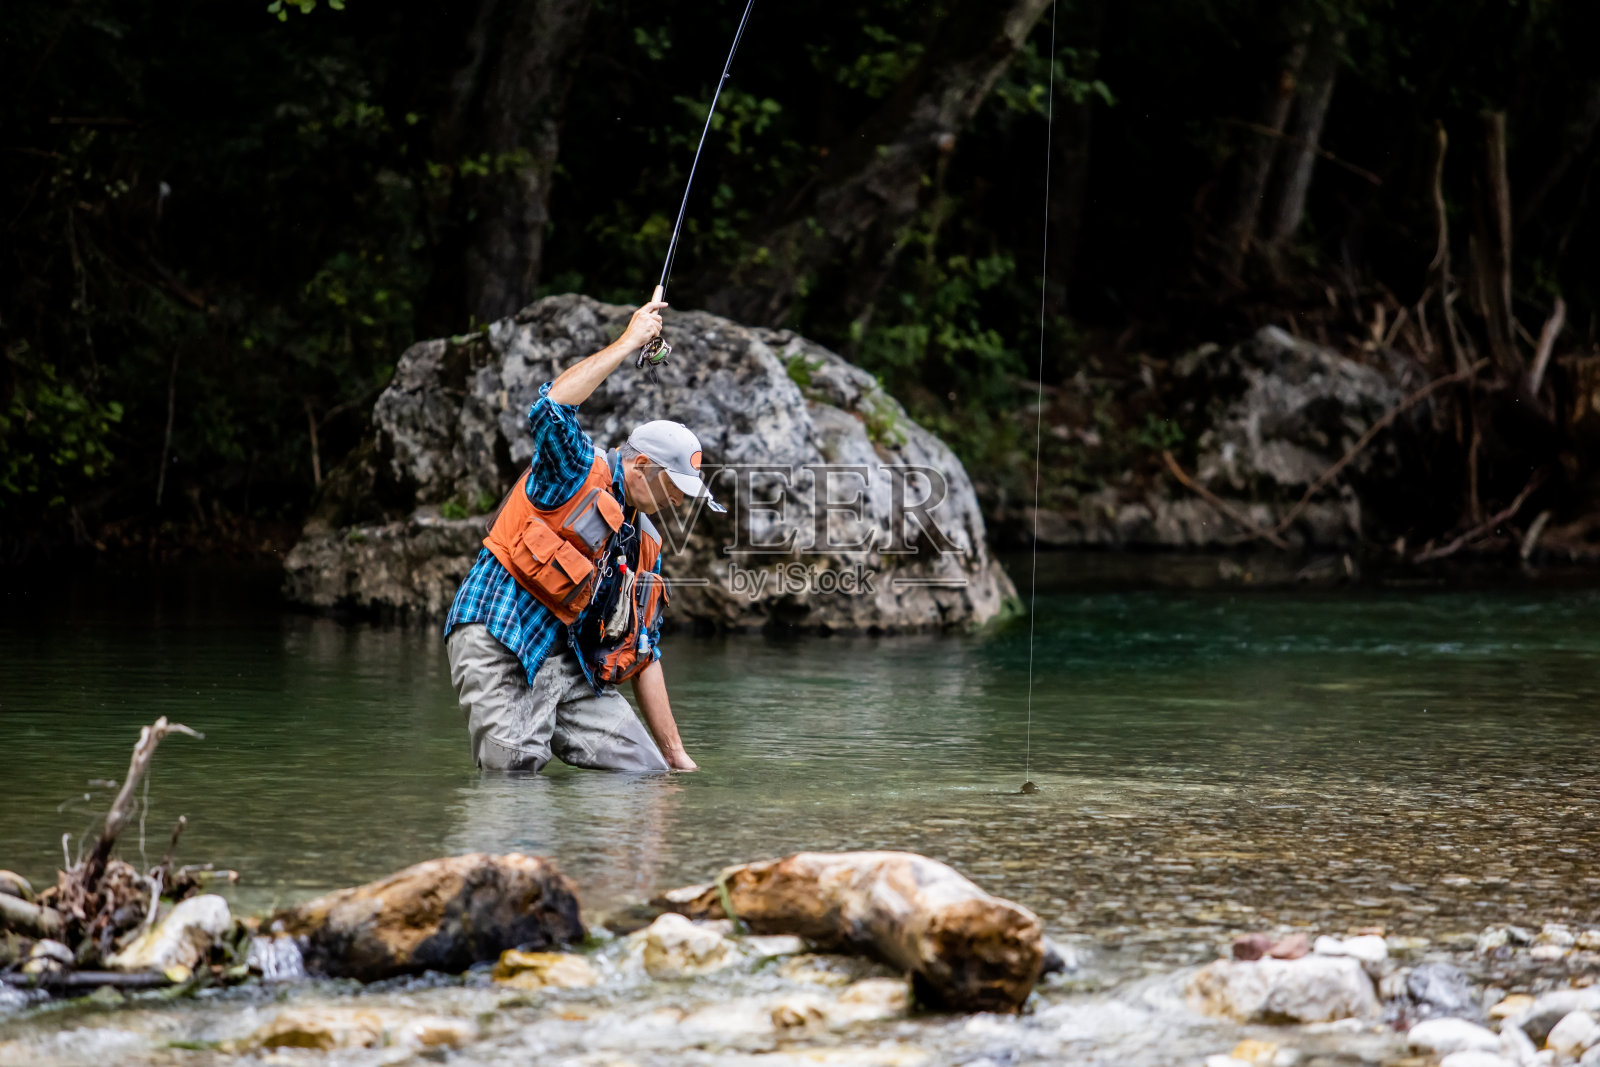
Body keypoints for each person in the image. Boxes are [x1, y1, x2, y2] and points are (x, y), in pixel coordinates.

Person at [442, 291, 722, 774]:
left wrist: (677, 757)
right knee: (514, 776)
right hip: (500, 637)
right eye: (675, 487)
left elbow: (644, 653)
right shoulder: (573, 468)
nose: (679, 501)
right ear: (640, 465)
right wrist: (628, 341)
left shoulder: (645, 544)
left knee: (648, 774)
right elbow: (551, 406)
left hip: (565, 665)